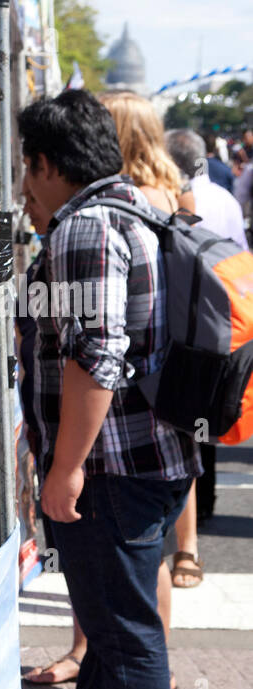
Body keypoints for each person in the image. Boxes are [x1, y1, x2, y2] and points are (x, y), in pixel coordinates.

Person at [18, 90, 199, 689]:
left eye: (27, 167)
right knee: (103, 613)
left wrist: (65, 469)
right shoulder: (132, 209)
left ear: (49, 163)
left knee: (124, 631)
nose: (25, 183)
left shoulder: (88, 227)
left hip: (117, 464)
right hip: (142, 457)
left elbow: (95, 357)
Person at [101, 91, 204, 590]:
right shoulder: (176, 189)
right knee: (154, 532)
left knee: (120, 543)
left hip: (131, 370)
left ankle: (107, 654)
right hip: (178, 362)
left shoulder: (122, 196)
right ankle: (184, 555)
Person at [167, 128, 247, 527]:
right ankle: (205, 506)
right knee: (212, 410)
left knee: (181, 415)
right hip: (226, 324)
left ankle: (186, 520)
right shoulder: (226, 199)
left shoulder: (172, 200)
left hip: (184, 326)